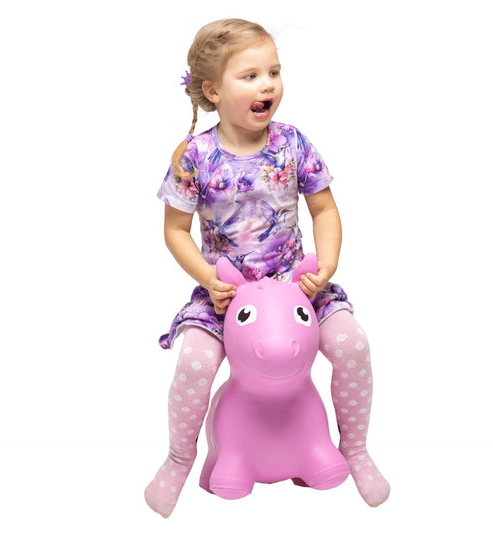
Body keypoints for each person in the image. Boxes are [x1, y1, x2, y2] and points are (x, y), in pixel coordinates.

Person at [145, 18, 390, 518]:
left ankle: (356, 449)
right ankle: (179, 459)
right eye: (251, 75)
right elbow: (175, 231)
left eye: (273, 72)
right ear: (213, 91)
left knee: (351, 345)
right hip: (226, 294)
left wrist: (327, 264)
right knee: (195, 365)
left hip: (298, 286)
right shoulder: (195, 156)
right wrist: (208, 279)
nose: (267, 85)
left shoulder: (292, 143)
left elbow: (324, 209)